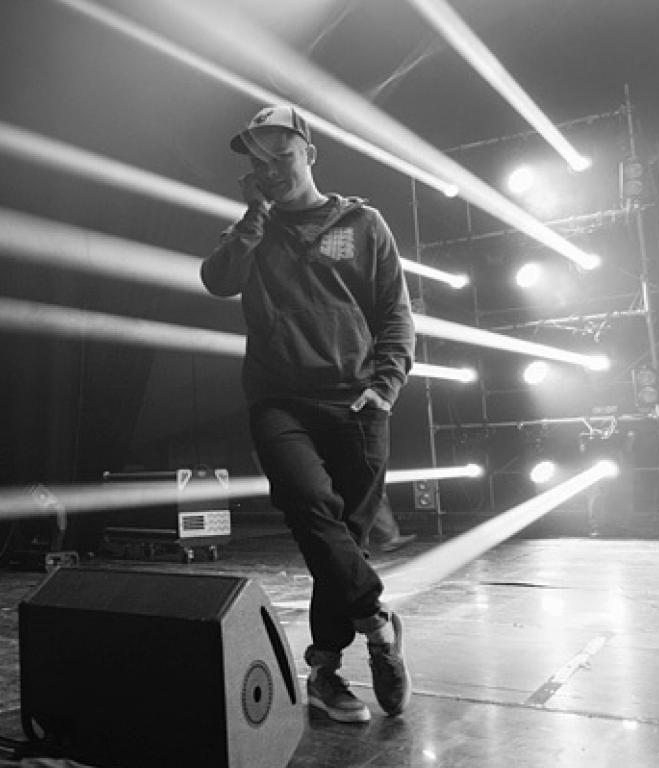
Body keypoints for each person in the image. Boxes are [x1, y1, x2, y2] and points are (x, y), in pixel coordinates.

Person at [200, 106, 415, 723]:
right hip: (279, 400)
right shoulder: (252, 230)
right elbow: (218, 279)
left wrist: (385, 387)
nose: (271, 169)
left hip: (358, 402)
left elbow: (394, 313)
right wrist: (254, 216)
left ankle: (324, 669)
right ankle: (378, 626)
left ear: (310, 154)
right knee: (311, 509)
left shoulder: (361, 224)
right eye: (259, 161)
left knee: (341, 540)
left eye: (282, 155)